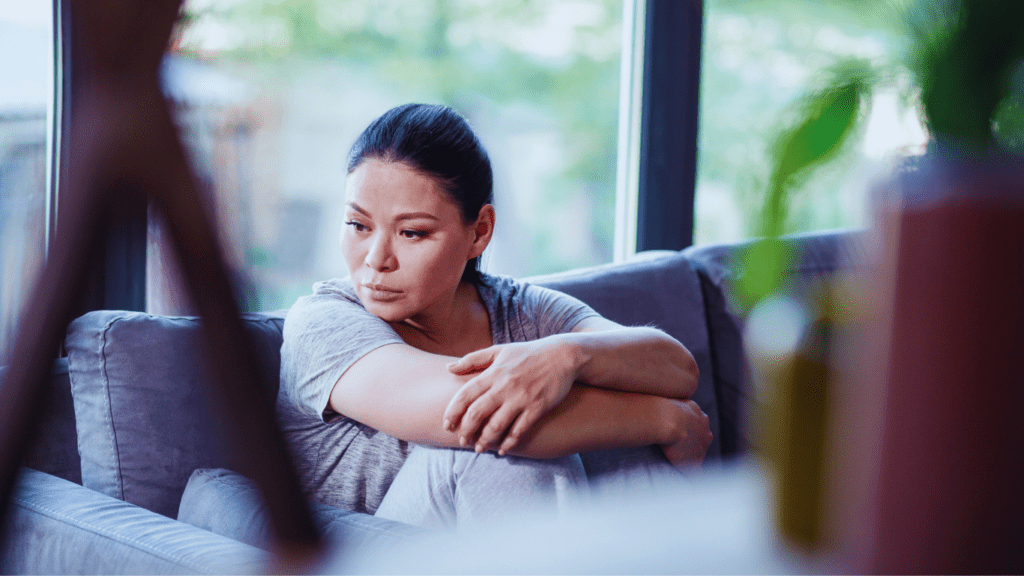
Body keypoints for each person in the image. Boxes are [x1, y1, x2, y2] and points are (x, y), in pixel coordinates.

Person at [277, 103, 713, 531]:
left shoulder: (518, 309)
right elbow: (474, 417)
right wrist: (666, 420)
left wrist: (567, 356)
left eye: (411, 232)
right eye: (358, 225)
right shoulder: (321, 323)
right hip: (377, 557)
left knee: (625, 456)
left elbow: (676, 368)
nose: (376, 259)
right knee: (495, 451)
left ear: (480, 231)